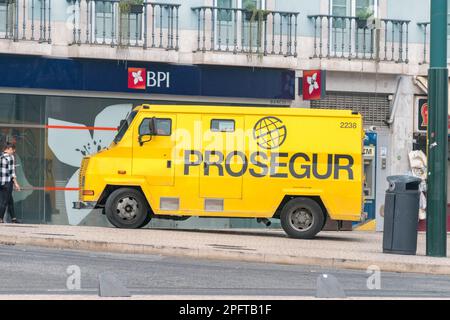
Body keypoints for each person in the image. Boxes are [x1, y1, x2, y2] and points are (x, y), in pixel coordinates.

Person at [0, 143, 21, 223]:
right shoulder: (10, 157)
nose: (13, 152)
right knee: (4, 201)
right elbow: (12, 172)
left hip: (1, 182)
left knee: (9, 200)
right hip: (7, 182)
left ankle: (13, 218)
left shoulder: (1, 156)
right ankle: (0, 218)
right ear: (9, 149)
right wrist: (16, 183)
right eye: (13, 150)